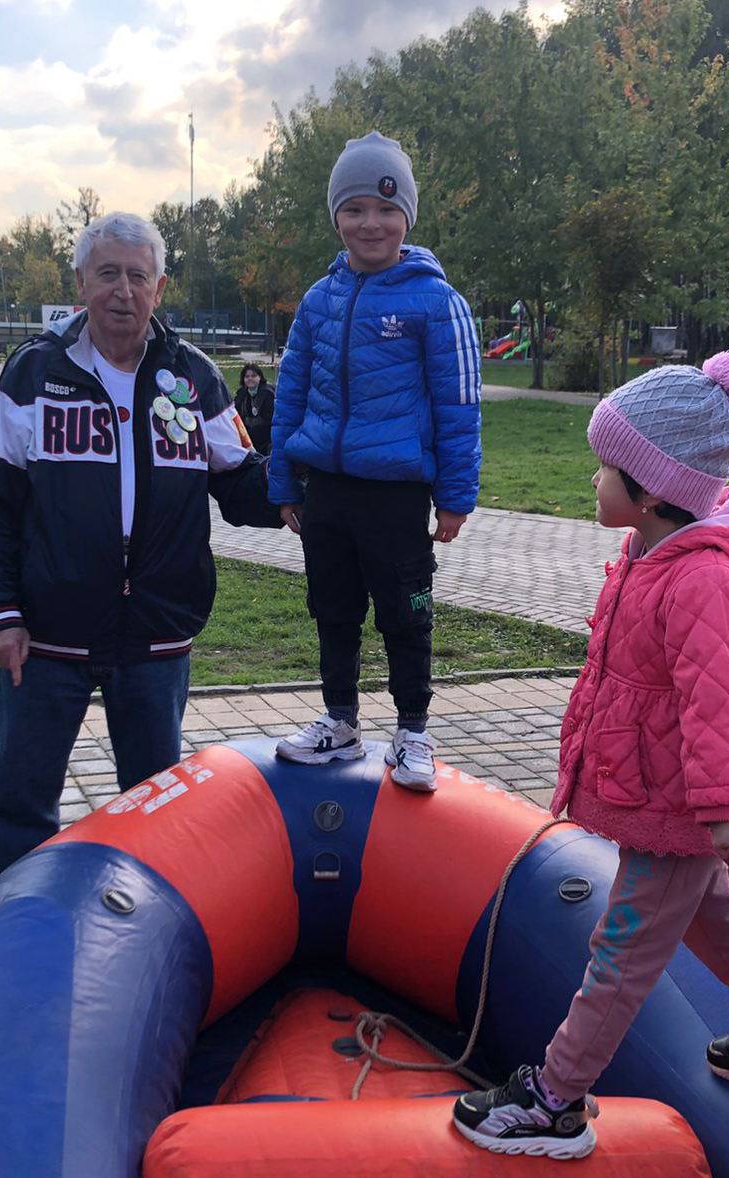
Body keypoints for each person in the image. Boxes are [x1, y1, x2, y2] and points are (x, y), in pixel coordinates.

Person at [452, 353, 729, 1160]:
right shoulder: (647, 554)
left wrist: (723, 815)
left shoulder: (703, 581)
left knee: (620, 951)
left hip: (679, 804)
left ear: (655, 491)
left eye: (606, 467)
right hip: (657, 793)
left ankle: (556, 1099)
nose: (593, 479)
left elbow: (716, 703)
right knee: (713, 911)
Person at [0, 212, 281, 872]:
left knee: (155, 808)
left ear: (159, 287)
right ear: (81, 282)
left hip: (156, 635)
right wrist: (0, 613)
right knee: (22, 801)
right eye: (108, 274)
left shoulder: (194, 377)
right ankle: (21, 918)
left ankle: (142, 922)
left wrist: (305, 485)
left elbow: (241, 481)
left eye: (139, 276)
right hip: (44, 637)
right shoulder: (32, 373)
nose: (123, 291)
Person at [268, 130, 481, 791]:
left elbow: (459, 404)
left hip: (395, 495)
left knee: (405, 613)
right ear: (336, 216)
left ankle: (412, 731)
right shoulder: (318, 301)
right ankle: (339, 721)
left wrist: (455, 497)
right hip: (327, 492)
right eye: (355, 208)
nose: (371, 223)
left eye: (387, 209)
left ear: (407, 217)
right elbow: (290, 395)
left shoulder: (437, 302)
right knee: (332, 609)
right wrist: (283, 480)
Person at [233, 363, 275, 455]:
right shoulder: (241, 394)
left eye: (253, 376)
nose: (250, 379)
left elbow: (271, 419)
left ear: (260, 377)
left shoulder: (268, 393)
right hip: (246, 432)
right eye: (247, 376)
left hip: (266, 435)